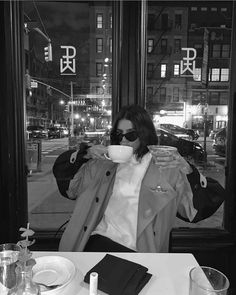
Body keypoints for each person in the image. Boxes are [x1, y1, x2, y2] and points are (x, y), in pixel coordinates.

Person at [54, 104, 225, 253]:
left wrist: (186, 169)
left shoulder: (164, 168)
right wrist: (84, 153)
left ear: (144, 135)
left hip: (139, 250)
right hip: (96, 240)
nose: (123, 140)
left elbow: (197, 210)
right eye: (118, 134)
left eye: (130, 135)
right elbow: (69, 187)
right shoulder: (103, 164)